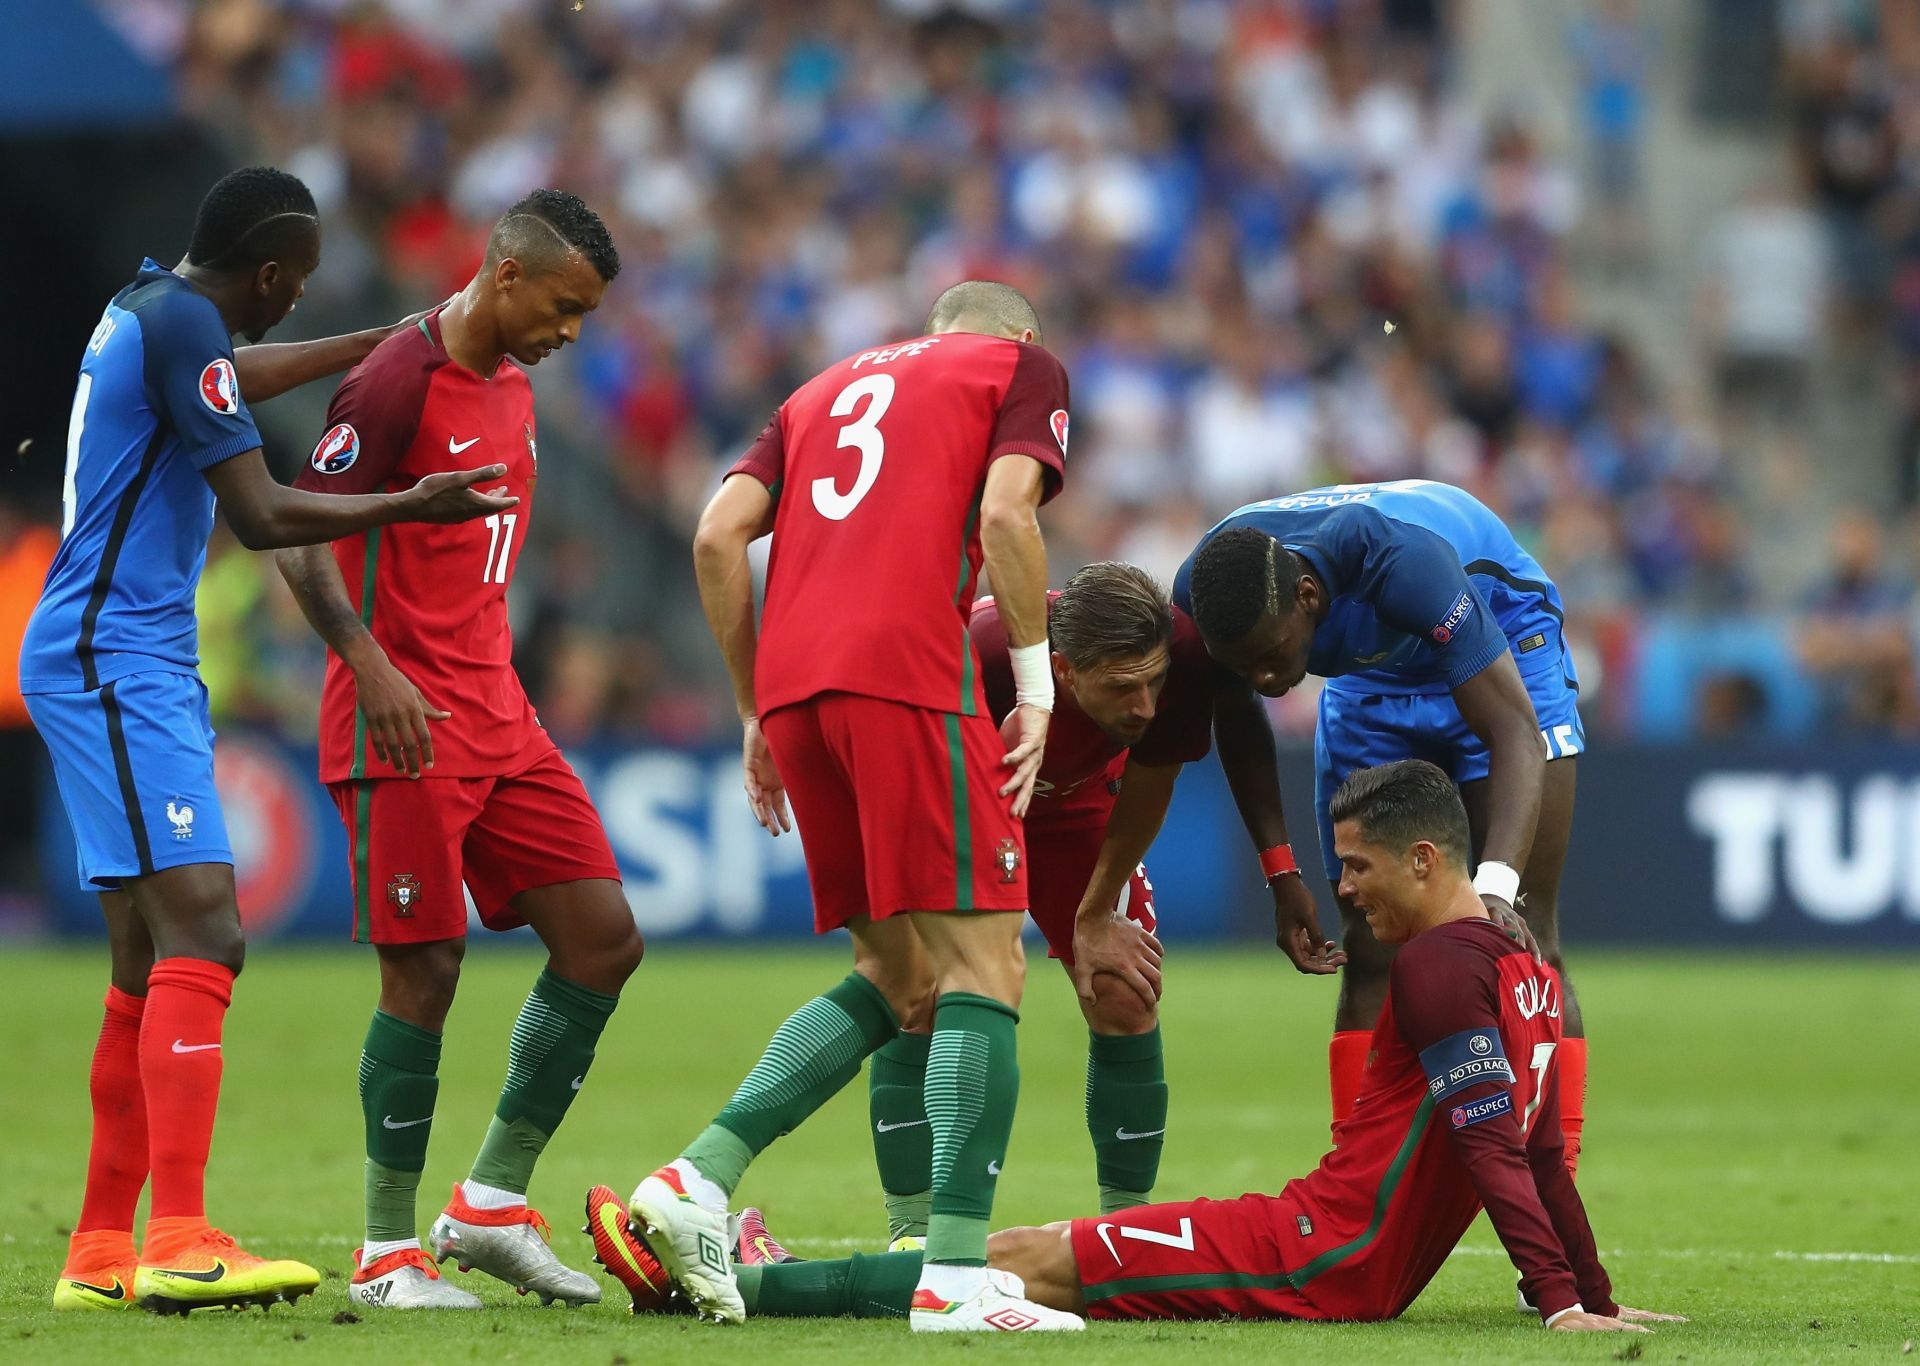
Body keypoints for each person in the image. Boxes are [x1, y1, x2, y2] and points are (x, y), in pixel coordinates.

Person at [633, 762, 1683, 1336]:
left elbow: (1501, 1149)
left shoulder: (1436, 968)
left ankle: (756, 1287)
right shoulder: (1525, 966)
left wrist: (1558, 1306)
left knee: (1011, 1262)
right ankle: (767, 1277)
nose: (1346, 890)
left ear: (1425, 857)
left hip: (1317, 1247)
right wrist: (1588, 1289)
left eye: (1359, 868)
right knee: (1030, 1267)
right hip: (1337, 1251)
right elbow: (1544, 1153)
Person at [21, 166, 512, 1314]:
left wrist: (382, 340)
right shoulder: (186, 319)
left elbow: (231, 381)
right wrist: (411, 502)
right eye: (301, 288)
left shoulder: (150, 308)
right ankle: (182, 1236)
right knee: (208, 926)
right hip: (114, 654)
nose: (297, 304)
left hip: (111, 648)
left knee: (147, 961)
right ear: (274, 271)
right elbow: (261, 514)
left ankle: (99, 1250)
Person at [604, 279, 1076, 1332]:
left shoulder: (817, 390)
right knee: (986, 963)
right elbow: (1007, 511)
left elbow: (717, 537)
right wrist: (1036, 687)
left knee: (899, 969)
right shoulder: (1019, 368)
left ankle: (696, 1178)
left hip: (797, 689)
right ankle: (954, 1276)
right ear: (1020, 336)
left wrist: (753, 706)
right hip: (908, 675)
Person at [272, 190, 639, 1312]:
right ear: (509, 273)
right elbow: (294, 530)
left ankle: (486, 1206)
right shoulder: (395, 378)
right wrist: (369, 664)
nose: (571, 330)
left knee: (603, 941)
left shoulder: (518, 387)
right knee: (424, 967)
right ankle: (386, 1253)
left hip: (499, 709)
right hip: (401, 712)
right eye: (566, 306)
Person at [1169, 480, 1589, 1177]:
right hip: (1373, 677)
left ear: (1307, 598)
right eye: (1244, 664)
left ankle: (1553, 1212)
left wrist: (1495, 887)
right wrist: (1281, 872)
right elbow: (1237, 719)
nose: (1266, 677)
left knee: (1528, 937)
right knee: (1368, 945)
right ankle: (1355, 1196)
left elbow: (1511, 728)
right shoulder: (1209, 591)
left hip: (1501, 635)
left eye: (1273, 654)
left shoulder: (1398, 563)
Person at [863, 561, 1212, 1245]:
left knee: (1123, 987)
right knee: (922, 993)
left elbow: (1149, 788)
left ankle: (1129, 1234)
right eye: (1122, 688)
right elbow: (906, 771)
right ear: (1062, 670)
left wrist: (1094, 918)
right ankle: (910, 1231)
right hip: (959, 800)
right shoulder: (975, 654)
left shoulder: (1176, 652)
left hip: (1080, 809)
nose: (1145, 705)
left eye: (1153, 683)